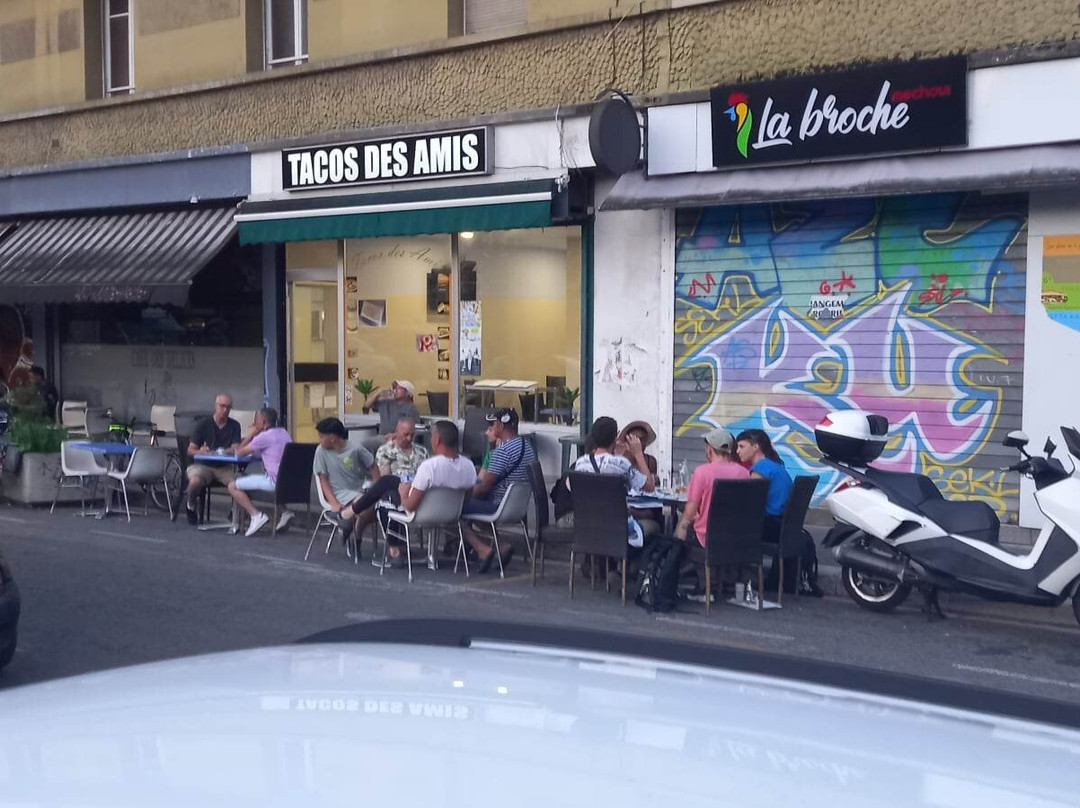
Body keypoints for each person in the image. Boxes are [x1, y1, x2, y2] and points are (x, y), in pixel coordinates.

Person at [381, 420, 476, 568]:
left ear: (437, 440)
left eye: (432, 436)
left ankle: (395, 550)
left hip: (422, 514)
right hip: (453, 515)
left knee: (383, 504)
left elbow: (410, 506)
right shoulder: (468, 465)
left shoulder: (429, 466)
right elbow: (468, 497)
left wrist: (403, 493)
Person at [460, 408, 535, 573]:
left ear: (501, 426)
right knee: (472, 510)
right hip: (517, 507)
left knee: (454, 509)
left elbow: (482, 488)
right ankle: (502, 546)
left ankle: (483, 550)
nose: (490, 429)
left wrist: (462, 496)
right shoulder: (527, 446)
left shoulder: (502, 451)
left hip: (498, 505)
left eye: (492, 425)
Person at [336, 417, 427, 552]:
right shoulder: (385, 450)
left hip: (416, 491)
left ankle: (348, 515)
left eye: (412, 435)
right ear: (396, 432)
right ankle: (393, 547)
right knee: (386, 494)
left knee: (374, 498)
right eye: (405, 434)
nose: (409, 438)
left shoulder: (422, 452)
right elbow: (383, 478)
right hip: (393, 489)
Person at [571, 416, 656, 548]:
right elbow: (649, 486)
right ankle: (633, 565)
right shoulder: (621, 464)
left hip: (589, 529)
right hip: (618, 529)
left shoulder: (580, 463)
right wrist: (638, 453)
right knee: (654, 526)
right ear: (615, 438)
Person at [674, 429, 751, 547]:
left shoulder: (702, 472)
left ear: (709, 448)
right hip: (736, 539)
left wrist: (683, 527)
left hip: (707, 540)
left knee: (682, 524)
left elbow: (690, 511)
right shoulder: (744, 473)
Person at [226, 408, 293, 537]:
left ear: (263, 421)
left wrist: (252, 433)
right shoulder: (284, 433)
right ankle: (285, 512)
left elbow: (238, 452)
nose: (254, 423)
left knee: (233, 485)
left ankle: (256, 515)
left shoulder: (264, 436)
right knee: (251, 477)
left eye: (256, 420)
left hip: (274, 482)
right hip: (288, 481)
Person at [313, 416, 379, 545]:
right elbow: (323, 480)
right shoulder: (320, 451)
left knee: (368, 506)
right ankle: (354, 535)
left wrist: (377, 486)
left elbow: (372, 466)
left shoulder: (355, 448)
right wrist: (333, 503)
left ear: (332, 438)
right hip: (339, 493)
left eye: (321, 436)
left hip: (356, 490)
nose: (319, 440)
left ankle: (349, 527)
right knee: (364, 503)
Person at [185, 394, 242, 526]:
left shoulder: (234, 425)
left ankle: (233, 512)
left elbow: (235, 447)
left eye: (228, 407)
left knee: (240, 484)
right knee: (195, 481)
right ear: (215, 406)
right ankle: (191, 505)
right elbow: (190, 450)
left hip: (224, 466)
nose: (225, 410)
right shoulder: (202, 424)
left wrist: (221, 451)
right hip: (203, 465)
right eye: (222, 406)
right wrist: (201, 451)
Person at [736, 428, 793, 542]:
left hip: (769, 527)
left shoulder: (760, 470)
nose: (737, 451)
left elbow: (753, 505)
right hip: (785, 527)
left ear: (755, 447)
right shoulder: (776, 466)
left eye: (742, 446)